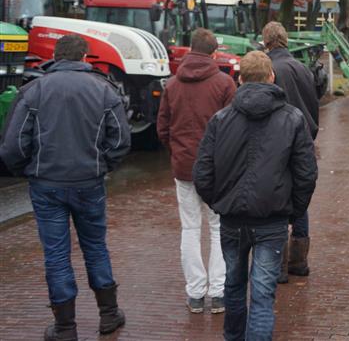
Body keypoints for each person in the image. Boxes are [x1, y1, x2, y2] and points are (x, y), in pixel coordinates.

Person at [0, 34, 129, 341]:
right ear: (84, 57)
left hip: (47, 185)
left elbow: (13, 145)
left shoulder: (33, 91)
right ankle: (109, 314)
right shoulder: (104, 90)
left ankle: (65, 327)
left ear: (55, 57)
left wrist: (27, 170)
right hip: (88, 183)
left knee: (56, 254)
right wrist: (101, 165)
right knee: (95, 247)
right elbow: (120, 141)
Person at [193, 50, 317, 341]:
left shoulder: (221, 119)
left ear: (240, 79)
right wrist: (293, 211)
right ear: (272, 77)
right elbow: (306, 174)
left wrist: (220, 202)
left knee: (234, 287)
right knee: (262, 295)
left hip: (233, 219)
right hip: (271, 219)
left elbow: (203, 173)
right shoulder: (293, 119)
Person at [158, 28, 236, 315]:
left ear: (191, 49)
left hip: (184, 167)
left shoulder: (172, 85)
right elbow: (233, 128)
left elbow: (163, 128)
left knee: (190, 229)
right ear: (214, 53)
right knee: (218, 228)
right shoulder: (224, 84)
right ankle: (218, 292)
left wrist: (177, 151)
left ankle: (195, 293)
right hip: (217, 170)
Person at [260, 21, 319, 282]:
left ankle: (280, 265)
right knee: (300, 199)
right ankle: (299, 260)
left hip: (278, 143)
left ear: (266, 42)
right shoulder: (302, 68)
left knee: (279, 202)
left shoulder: (269, 69)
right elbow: (314, 104)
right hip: (304, 141)